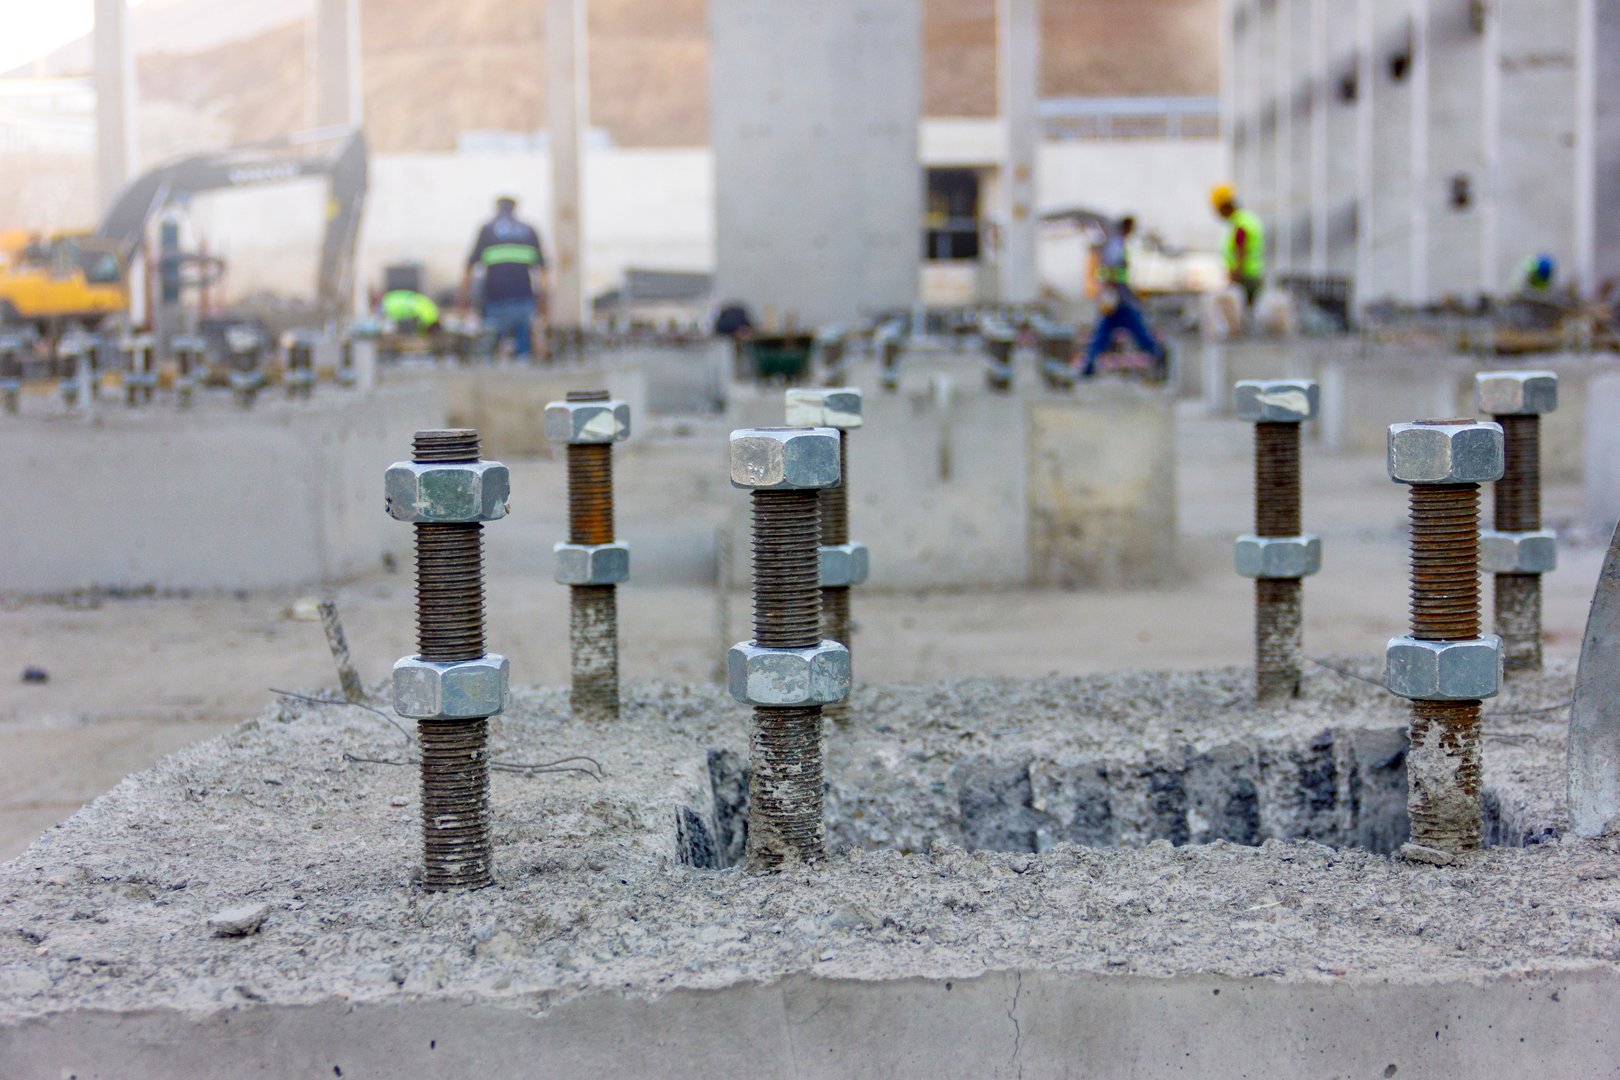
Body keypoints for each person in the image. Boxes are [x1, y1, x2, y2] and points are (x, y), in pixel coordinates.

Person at [457, 196, 547, 360]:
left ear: (497, 205)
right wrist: (543, 300)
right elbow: (542, 271)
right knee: (523, 353)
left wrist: (463, 297)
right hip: (523, 301)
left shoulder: (487, 230)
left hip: (494, 302)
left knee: (491, 352)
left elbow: (470, 268)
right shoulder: (529, 230)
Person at [1079, 215, 1166, 378]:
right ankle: (1158, 355)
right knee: (1136, 330)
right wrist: (1115, 291)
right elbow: (1113, 272)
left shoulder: (1115, 245)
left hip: (1117, 300)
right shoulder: (1117, 246)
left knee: (1104, 334)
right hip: (1119, 301)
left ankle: (1089, 365)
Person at [1210, 184, 1266, 311]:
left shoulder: (1240, 224)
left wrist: (1234, 277)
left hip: (1244, 277)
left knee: (1239, 315)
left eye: (1218, 210)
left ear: (1225, 206)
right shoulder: (1248, 219)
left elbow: (1241, 250)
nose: (1218, 214)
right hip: (1254, 274)